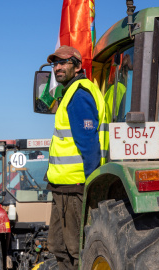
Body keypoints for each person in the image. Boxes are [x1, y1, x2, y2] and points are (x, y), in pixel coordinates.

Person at [45, 45, 109, 269]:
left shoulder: (79, 95)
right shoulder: (71, 93)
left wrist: (91, 184)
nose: (58, 68)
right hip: (63, 188)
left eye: (64, 63)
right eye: (55, 64)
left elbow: (89, 144)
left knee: (75, 250)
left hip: (76, 187)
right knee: (59, 249)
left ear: (78, 66)